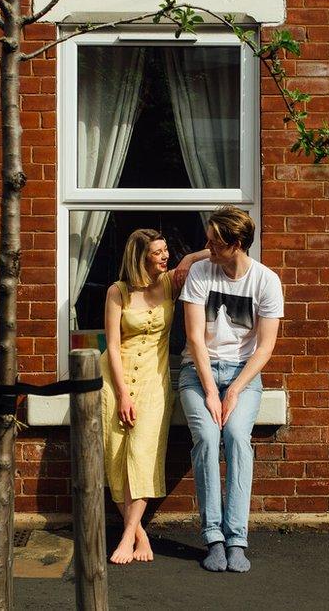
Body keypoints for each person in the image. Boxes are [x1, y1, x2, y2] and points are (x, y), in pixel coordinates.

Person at [178, 206, 283, 573]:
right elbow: (194, 337)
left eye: (215, 242)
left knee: (238, 437)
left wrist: (235, 390)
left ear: (236, 244)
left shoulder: (266, 281)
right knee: (207, 437)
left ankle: (237, 538)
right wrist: (210, 391)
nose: (208, 247)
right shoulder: (200, 273)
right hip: (198, 371)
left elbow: (265, 347)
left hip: (244, 373)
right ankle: (214, 538)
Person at [100, 228, 209, 564]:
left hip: (153, 380)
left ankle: (125, 536)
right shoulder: (117, 292)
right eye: (158, 252)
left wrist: (228, 245)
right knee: (116, 456)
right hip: (115, 379)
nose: (165, 256)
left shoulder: (169, 284)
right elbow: (113, 347)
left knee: (144, 456)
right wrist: (121, 395)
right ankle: (139, 532)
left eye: (165, 251)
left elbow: (193, 258)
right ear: (140, 257)